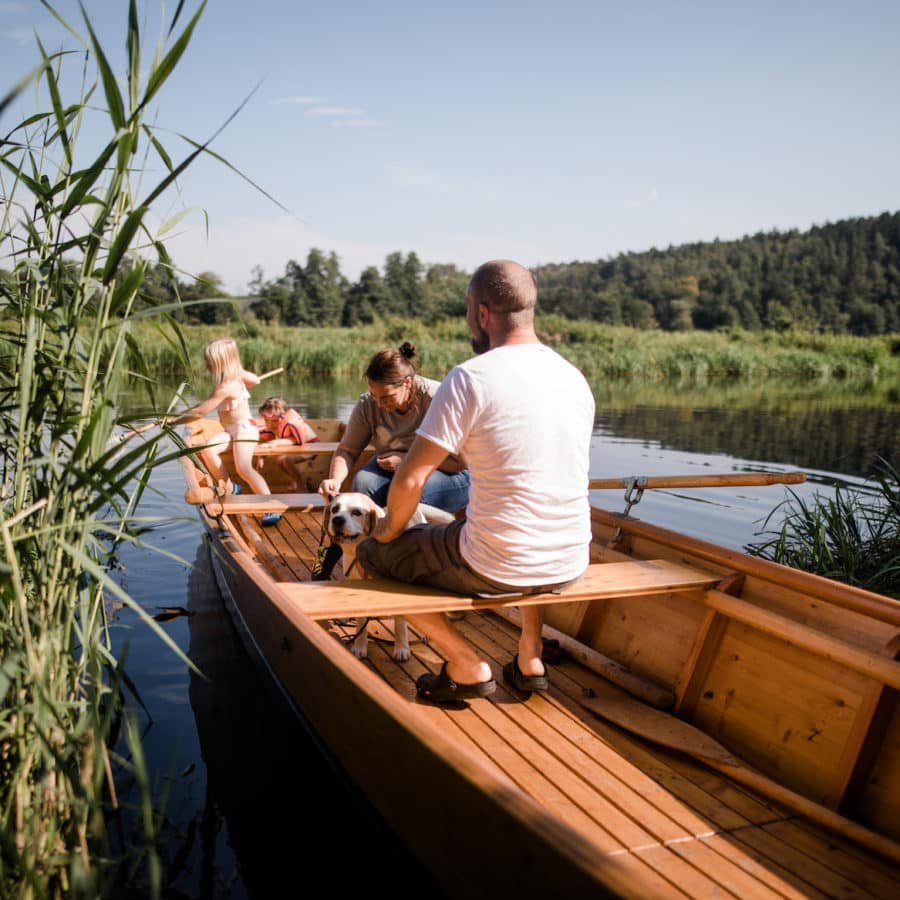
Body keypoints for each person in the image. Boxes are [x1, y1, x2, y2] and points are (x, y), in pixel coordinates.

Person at [356, 260, 594, 704]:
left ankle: (465, 664)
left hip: (497, 563)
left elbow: (410, 480)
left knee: (374, 553)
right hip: (571, 558)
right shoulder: (573, 378)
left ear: (482, 312)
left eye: (468, 309)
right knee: (523, 533)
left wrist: (387, 530)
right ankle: (530, 658)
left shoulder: (470, 377)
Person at [317, 343, 470, 513]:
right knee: (363, 484)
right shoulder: (368, 404)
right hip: (395, 467)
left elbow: (461, 462)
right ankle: (377, 537)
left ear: (407, 382)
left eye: (386, 397)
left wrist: (407, 461)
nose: (379, 404)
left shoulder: (438, 398)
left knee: (412, 490)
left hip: (452, 473)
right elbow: (347, 450)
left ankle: (406, 537)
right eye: (374, 396)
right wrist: (335, 480)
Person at [165, 337, 281, 526]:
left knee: (243, 468)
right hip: (230, 430)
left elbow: (201, 412)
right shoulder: (231, 380)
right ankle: (229, 486)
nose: (206, 365)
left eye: (209, 362)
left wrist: (176, 420)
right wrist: (239, 371)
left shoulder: (226, 387)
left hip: (245, 429)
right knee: (207, 449)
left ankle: (270, 504)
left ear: (221, 363)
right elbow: (256, 380)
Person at [257, 396, 319, 491]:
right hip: (296, 450)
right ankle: (300, 483)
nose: (270, 424)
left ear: (283, 417)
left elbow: (295, 440)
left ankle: (301, 488)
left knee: (287, 460)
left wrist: (275, 443)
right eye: (266, 421)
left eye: (274, 421)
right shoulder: (273, 428)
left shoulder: (290, 423)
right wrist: (261, 457)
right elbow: (266, 441)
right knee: (280, 460)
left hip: (311, 448)